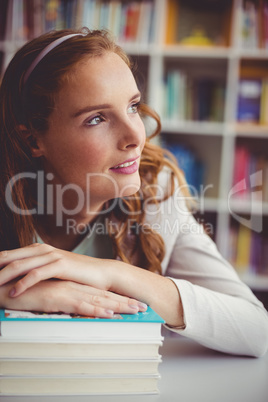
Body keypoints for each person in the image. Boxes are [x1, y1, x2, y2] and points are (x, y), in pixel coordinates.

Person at [0, 28, 267, 358]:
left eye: (133, 106)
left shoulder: (157, 192)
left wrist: (111, 274)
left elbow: (256, 331)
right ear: (32, 140)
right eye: (96, 118)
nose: (135, 137)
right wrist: (9, 292)